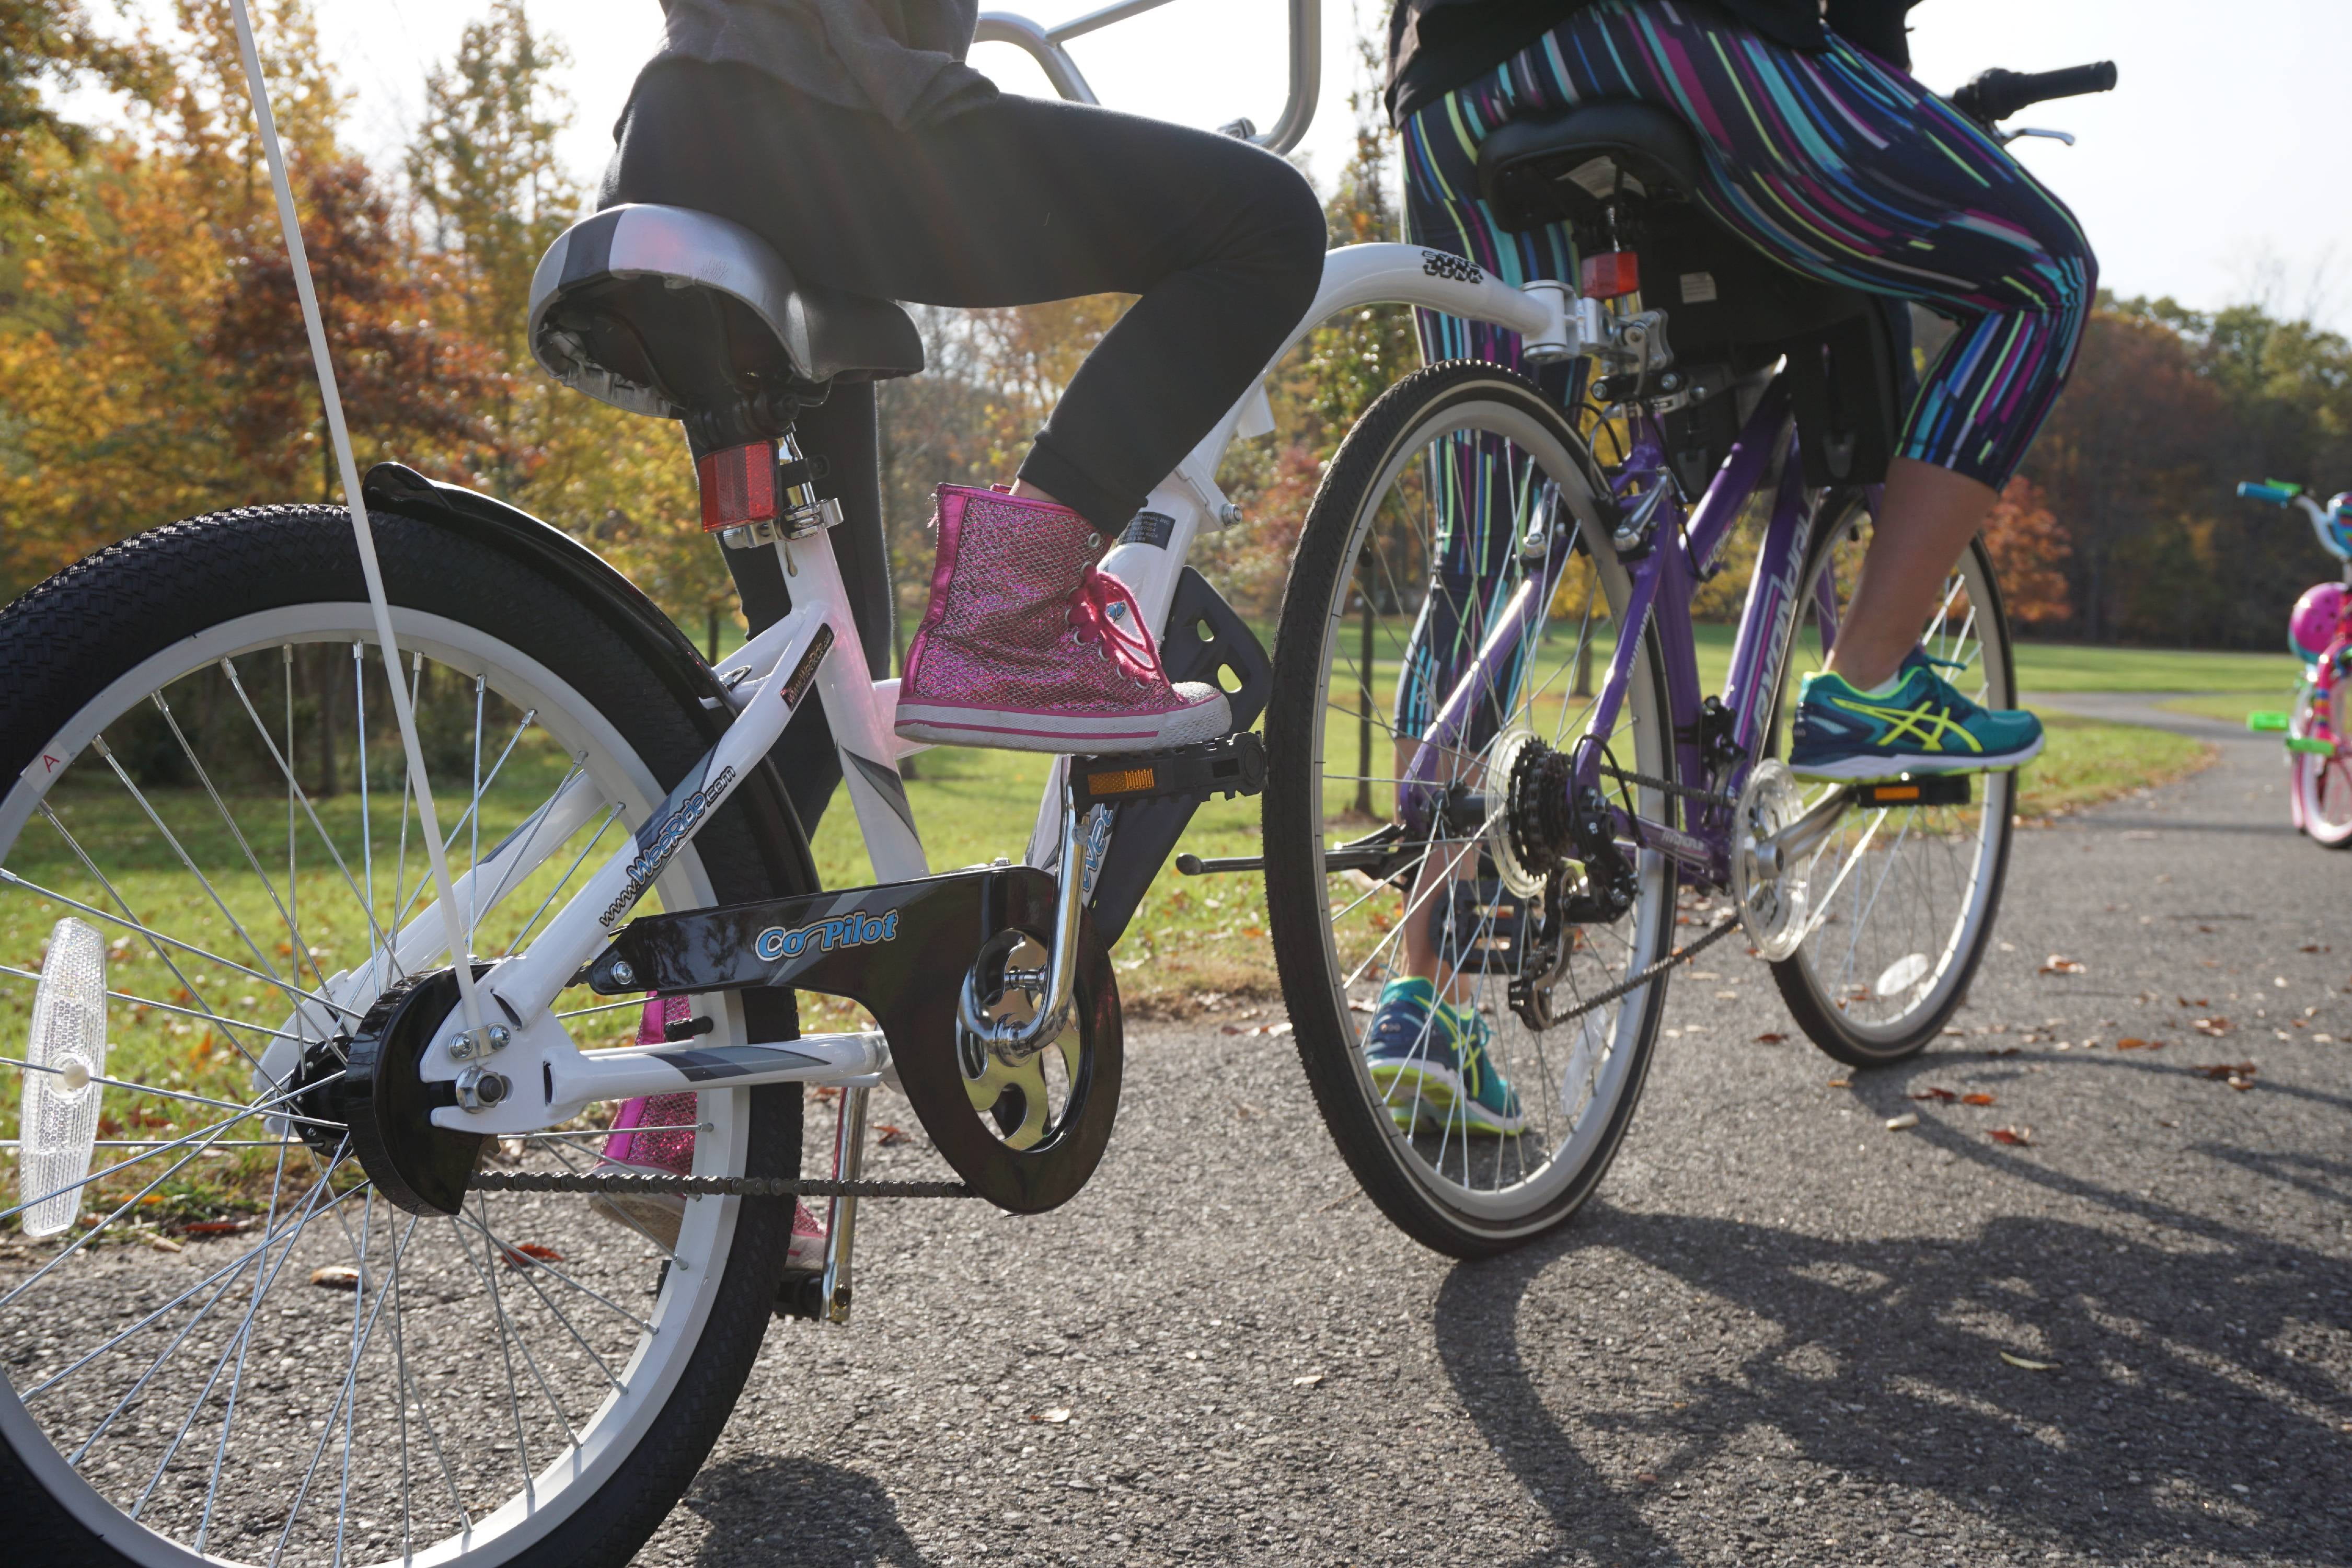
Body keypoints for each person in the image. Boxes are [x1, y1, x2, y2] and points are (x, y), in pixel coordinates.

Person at [586, 2, 1328, 1231]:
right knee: (1264, 223)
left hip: (683, 135)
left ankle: (674, 1110)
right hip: (820, 112)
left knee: (820, 690)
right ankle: (1008, 609)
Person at [1363, 0, 2095, 1119]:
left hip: (1445, 85)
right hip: (1657, 34)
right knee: (2042, 275)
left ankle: (1426, 1001)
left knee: (1491, 538)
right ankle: (1867, 686)